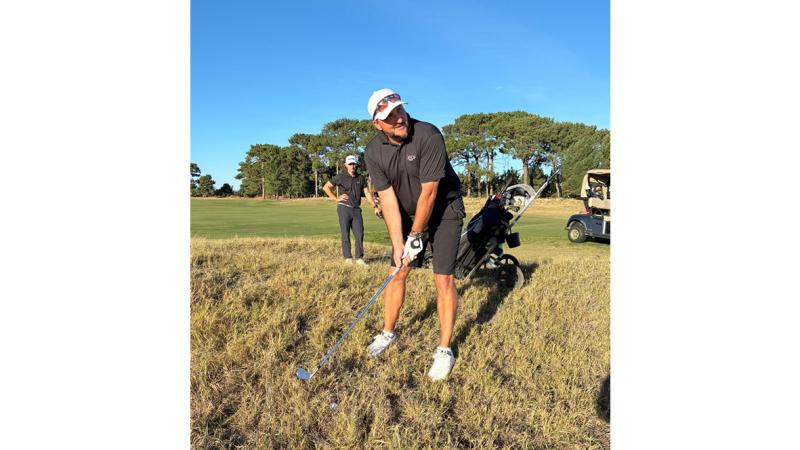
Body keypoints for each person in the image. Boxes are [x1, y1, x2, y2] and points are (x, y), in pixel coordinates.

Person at [363, 88, 465, 381]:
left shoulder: (428, 135)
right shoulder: (373, 152)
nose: (398, 118)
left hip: (445, 210)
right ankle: (387, 333)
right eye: (389, 116)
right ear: (377, 124)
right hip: (407, 213)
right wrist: (399, 243)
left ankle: (444, 350)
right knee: (397, 270)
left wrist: (416, 235)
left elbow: (430, 192)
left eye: (399, 110)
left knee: (443, 278)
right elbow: (388, 200)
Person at [322, 155, 380, 266]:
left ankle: (359, 258)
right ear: (346, 165)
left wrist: (375, 206)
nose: (352, 166)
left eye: (354, 164)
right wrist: (336, 198)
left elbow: (367, 193)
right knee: (345, 233)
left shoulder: (360, 178)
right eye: (350, 164)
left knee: (359, 233)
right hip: (344, 208)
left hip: (356, 210)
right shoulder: (341, 177)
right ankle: (348, 258)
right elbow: (326, 187)